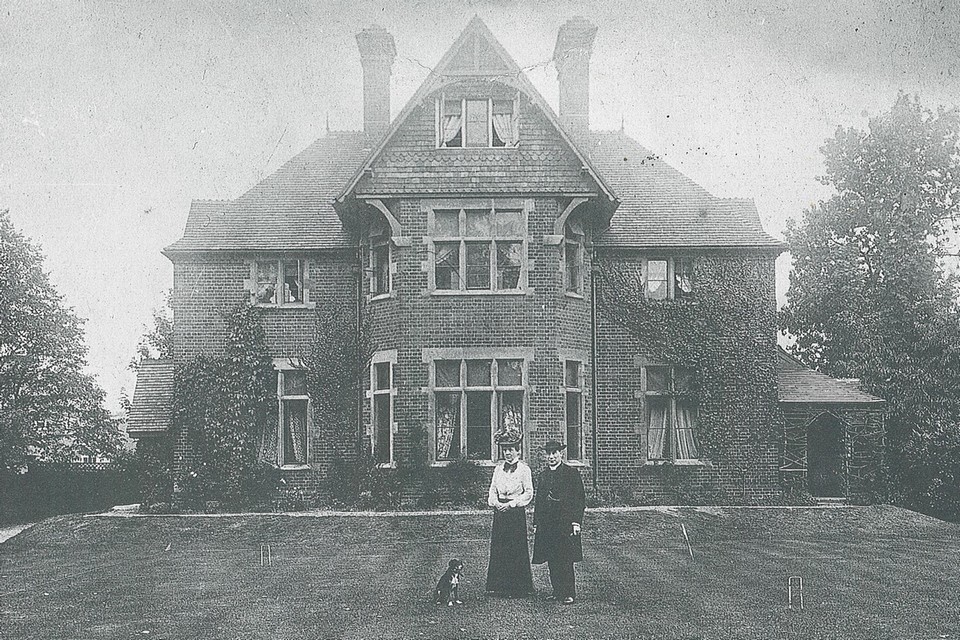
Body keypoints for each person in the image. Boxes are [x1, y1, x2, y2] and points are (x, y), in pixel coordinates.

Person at [532, 440, 585, 605]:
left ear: (560, 454)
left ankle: (569, 593)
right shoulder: (543, 475)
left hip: (565, 522)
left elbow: (579, 499)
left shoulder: (571, 473)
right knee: (552, 558)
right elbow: (539, 501)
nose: (551, 457)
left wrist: (576, 522)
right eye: (548, 454)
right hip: (547, 524)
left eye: (554, 453)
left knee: (565, 558)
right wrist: (536, 523)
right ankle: (556, 591)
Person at [485, 435, 535, 597]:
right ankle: (499, 586)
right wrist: (496, 503)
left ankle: (518, 587)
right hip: (500, 512)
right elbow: (492, 489)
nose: (508, 453)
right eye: (505, 450)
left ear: (518, 451)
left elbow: (528, 493)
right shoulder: (498, 469)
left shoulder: (524, 470)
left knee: (515, 548)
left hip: (514, 513)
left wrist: (512, 504)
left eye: (511, 450)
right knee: (500, 546)